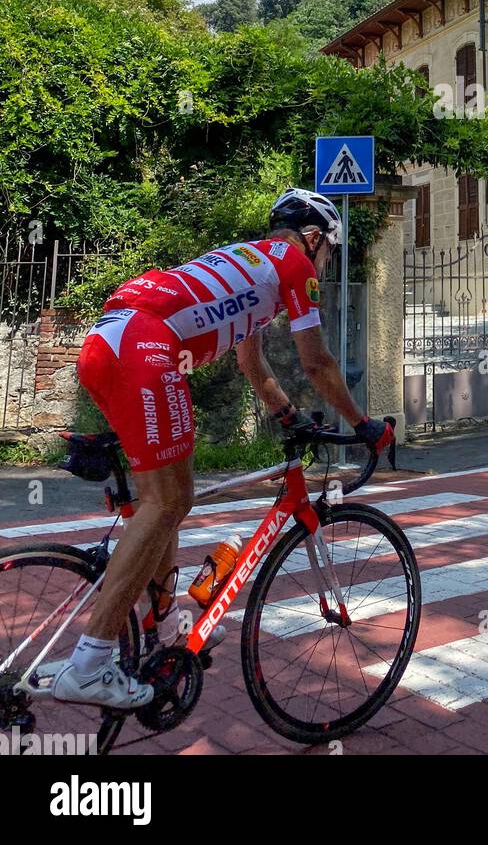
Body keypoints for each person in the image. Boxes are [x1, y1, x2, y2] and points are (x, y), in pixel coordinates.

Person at [53, 188, 392, 710]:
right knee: (170, 500)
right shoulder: (292, 263)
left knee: (166, 501)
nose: (323, 265)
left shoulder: (252, 266)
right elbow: (318, 362)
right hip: (144, 347)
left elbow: (252, 366)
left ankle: (154, 617)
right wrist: (364, 424)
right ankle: (90, 663)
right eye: (327, 251)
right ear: (313, 237)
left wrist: (286, 415)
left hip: (113, 340)